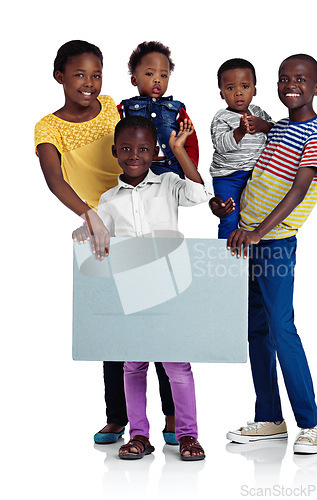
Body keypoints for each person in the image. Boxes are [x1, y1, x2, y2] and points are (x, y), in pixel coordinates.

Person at [34, 40, 176, 446]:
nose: (89, 84)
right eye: (79, 75)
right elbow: (54, 179)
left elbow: (144, 141)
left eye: (96, 74)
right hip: (103, 229)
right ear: (60, 76)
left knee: (162, 322)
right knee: (116, 327)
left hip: (143, 219)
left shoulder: (113, 104)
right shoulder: (49, 127)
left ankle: (170, 414)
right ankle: (118, 416)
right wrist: (89, 214)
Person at [74, 115, 208, 460]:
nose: (135, 155)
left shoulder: (167, 184)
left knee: (177, 364)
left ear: (155, 152)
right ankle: (139, 435)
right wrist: (85, 232)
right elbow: (102, 241)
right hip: (131, 289)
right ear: (115, 150)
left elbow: (198, 193)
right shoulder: (109, 199)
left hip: (170, 285)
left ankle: (188, 435)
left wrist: (179, 151)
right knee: (133, 364)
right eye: (128, 148)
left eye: (144, 149)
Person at [226, 54, 317, 454]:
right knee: (256, 329)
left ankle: (313, 423)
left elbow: (298, 190)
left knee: (282, 328)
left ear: (316, 88)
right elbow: (277, 137)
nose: (292, 85)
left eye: (301, 79)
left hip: (273, 244)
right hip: (248, 240)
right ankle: (269, 418)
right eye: (284, 79)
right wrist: (266, 125)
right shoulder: (285, 127)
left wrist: (257, 233)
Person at [209, 58, 274, 239]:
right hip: (228, 177)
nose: (238, 93)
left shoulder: (258, 112)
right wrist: (239, 131)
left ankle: (253, 250)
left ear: (254, 90)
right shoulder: (222, 117)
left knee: (256, 217)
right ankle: (226, 258)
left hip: (255, 175)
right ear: (222, 93)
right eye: (230, 88)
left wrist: (264, 126)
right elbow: (221, 145)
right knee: (229, 216)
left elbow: (277, 133)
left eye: (244, 87)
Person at [117, 41, 199, 179]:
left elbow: (191, 140)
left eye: (163, 75)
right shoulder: (125, 109)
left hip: (172, 170)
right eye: (150, 74)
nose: (157, 80)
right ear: (134, 80)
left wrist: (190, 166)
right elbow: (111, 135)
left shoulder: (176, 109)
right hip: (136, 171)